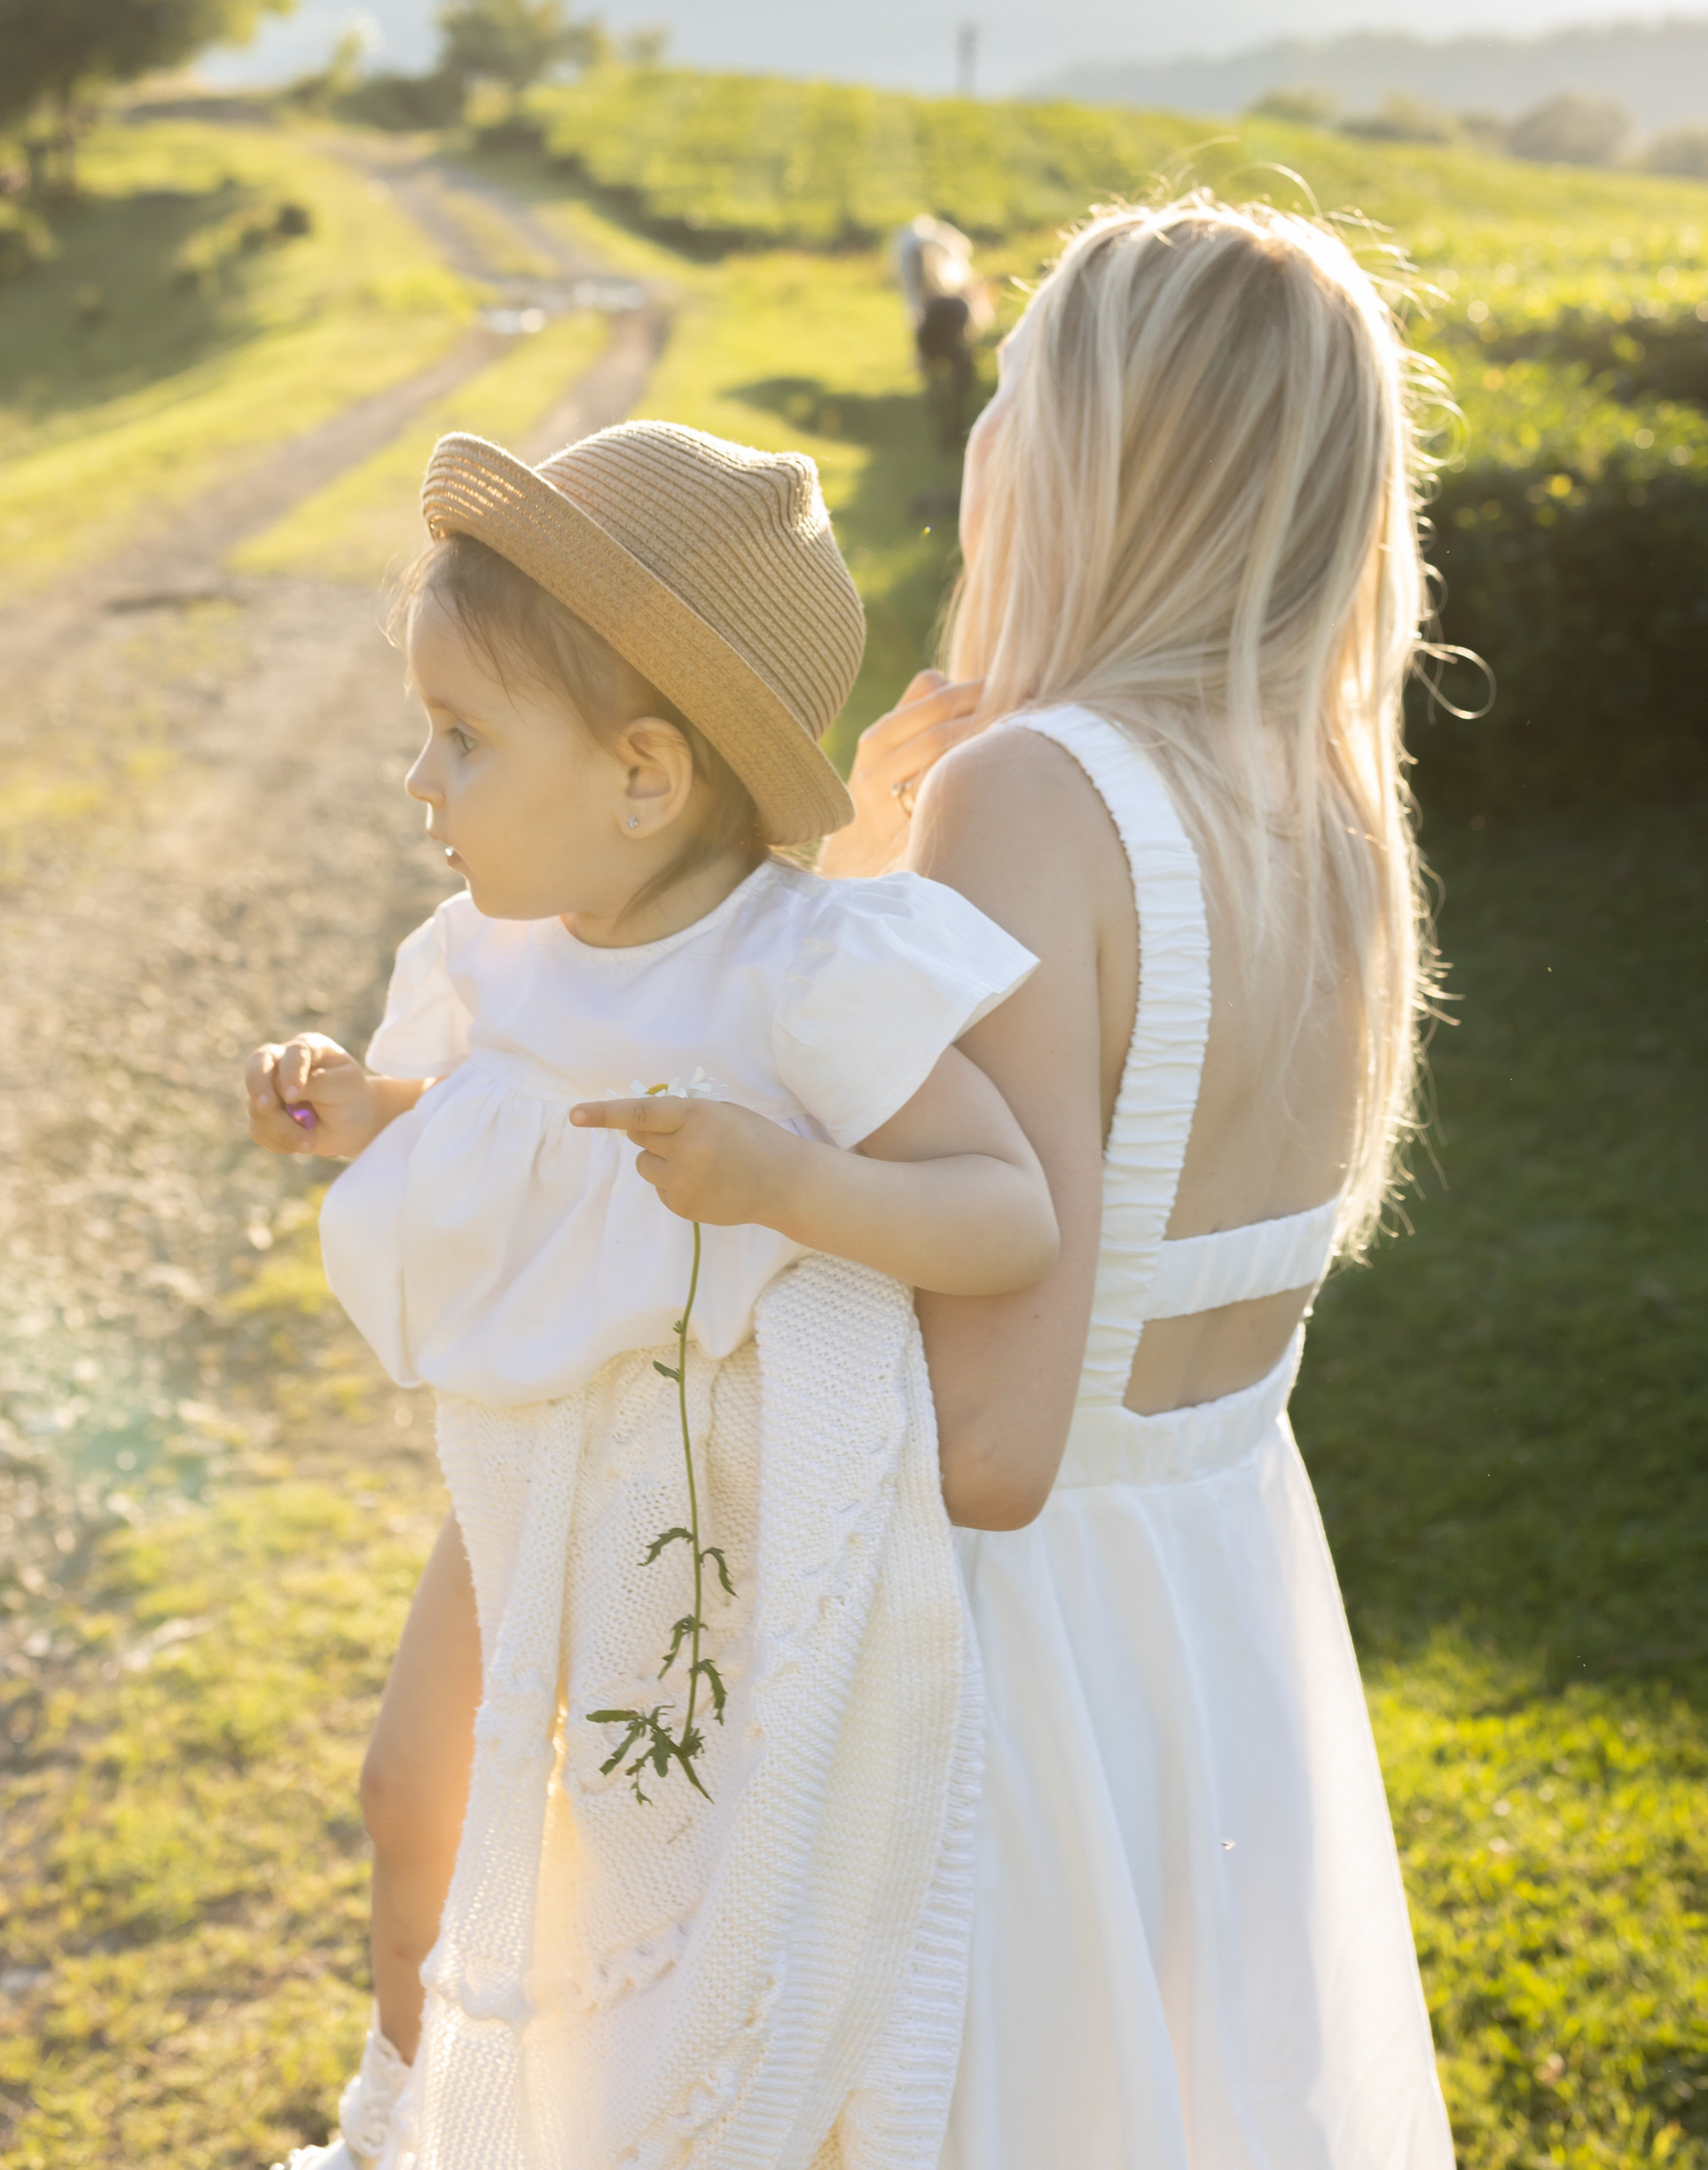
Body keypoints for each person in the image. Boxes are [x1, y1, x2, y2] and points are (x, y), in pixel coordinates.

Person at [241, 419, 1057, 2170]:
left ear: (641, 776)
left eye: (462, 734)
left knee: (677, 1867)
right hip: (536, 1464)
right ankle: (417, 2126)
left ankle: (671, 2129)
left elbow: (1009, 1217)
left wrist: (787, 1183)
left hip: (720, 1508)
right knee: (410, 1788)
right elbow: (505, 1117)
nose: (420, 778)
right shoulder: (504, 951)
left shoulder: (803, 968)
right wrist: (366, 1109)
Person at [823, 194, 1456, 2166]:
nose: (980, 431)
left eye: (1015, 388)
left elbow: (991, 1439)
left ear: (1102, 460)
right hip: (1208, 1613)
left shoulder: (1029, 793)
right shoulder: (1327, 806)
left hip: (1004, 1662)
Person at [895, 213, 992, 446]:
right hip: (951, 345)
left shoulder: (928, 304)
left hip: (937, 343)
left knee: (940, 388)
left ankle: (947, 431)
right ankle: (953, 430)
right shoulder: (955, 298)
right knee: (956, 385)